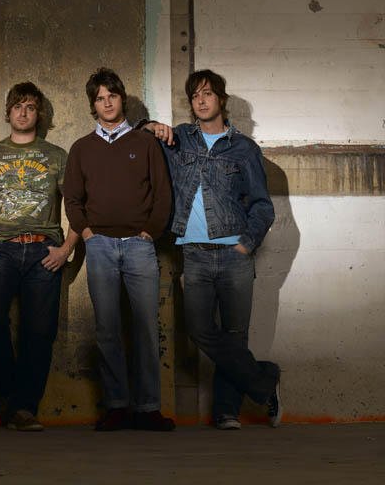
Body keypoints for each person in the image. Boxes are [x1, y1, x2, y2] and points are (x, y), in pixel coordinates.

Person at [146, 69, 282, 430]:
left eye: (207, 93)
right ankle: (265, 380)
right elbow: (142, 138)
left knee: (235, 336)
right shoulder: (179, 140)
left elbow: (262, 205)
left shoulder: (244, 149)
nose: (201, 101)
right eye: (195, 96)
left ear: (221, 99)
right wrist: (149, 125)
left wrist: (246, 244)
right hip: (194, 255)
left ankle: (226, 411)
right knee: (200, 330)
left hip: (235, 255)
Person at [63, 68, 175, 432]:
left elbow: (162, 194)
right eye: (100, 98)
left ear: (121, 99)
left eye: (112, 95)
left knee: (145, 327)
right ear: (93, 105)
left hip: (140, 246)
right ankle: (116, 407)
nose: (107, 102)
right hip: (99, 247)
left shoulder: (145, 143)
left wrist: (149, 233)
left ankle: (148, 408)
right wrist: (88, 233)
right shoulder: (82, 148)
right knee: (107, 328)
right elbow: (72, 198)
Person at [0, 82, 77, 432]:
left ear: (38, 114)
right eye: (17, 106)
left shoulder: (57, 155)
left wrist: (66, 249)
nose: (23, 112)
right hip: (4, 250)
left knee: (39, 332)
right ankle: (11, 397)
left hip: (45, 250)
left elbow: (77, 208)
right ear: (8, 112)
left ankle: (24, 409)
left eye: (30, 107)